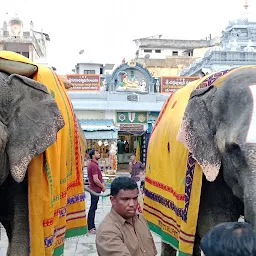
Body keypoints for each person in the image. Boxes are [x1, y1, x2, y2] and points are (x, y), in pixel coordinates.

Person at [96, 176, 157, 256]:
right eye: (125, 199)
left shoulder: (140, 218)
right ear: (113, 200)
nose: (132, 204)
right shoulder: (107, 232)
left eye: (135, 198)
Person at [87, 149, 106, 234]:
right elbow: (95, 179)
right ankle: (91, 227)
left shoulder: (93, 164)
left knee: (93, 207)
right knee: (93, 208)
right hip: (95, 190)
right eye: (97, 153)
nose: (99, 154)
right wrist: (102, 186)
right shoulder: (93, 165)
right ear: (93, 156)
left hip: (94, 189)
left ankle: (91, 226)